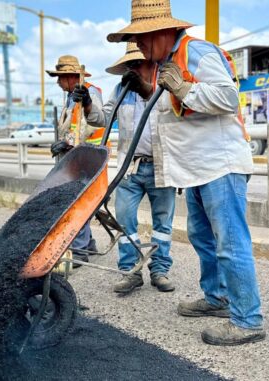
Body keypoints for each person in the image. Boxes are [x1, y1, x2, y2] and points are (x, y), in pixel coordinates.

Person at [107, 0, 266, 346]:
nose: (140, 48)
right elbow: (170, 110)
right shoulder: (167, 62)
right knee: (203, 239)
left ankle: (248, 319)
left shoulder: (196, 52)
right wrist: (151, 90)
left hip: (220, 166)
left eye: (143, 39)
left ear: (162, 32)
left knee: (230, 243)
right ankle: (217, 298)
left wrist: (183, 88)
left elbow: (228, 97)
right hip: (196, 170)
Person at [103, 43, 176, 294]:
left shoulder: (166, 85)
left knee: (163, 224)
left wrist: (145, 89)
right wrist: (89, 106)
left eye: (138, 63)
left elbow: (171, 110)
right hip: (130, 168)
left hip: (160, 166)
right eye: (130, 64)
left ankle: (160, 270)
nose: (133, 68)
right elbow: (103, 119)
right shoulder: (120, 89)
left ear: (152, 62)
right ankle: (131, 271)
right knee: (124, 220)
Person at [46, 55, 106, 265]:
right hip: (74, 159)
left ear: (71, 77)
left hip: (87, 159)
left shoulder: (90, 93)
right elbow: (70, 126)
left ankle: (79, 252)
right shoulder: (70, 97)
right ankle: (87, 244)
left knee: (78, 205)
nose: (58, 82)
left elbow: (93, 124)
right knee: (76, 203)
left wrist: (67, 142)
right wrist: (62, 142)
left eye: (60, 77)